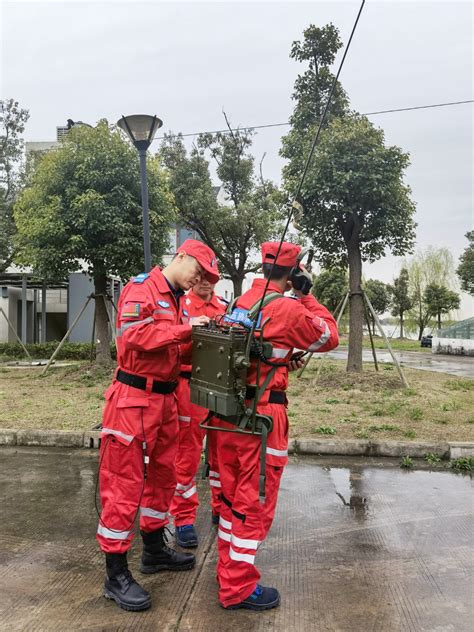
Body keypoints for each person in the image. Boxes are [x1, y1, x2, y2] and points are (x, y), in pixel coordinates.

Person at [216, 241, 339, 611]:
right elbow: (328, 336)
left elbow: (251, 353)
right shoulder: (288, 307)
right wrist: (306, 296)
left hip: (228, 416)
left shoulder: (239, 302)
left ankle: (227, 569)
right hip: (264, 418)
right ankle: (236, 588)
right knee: (254, 502)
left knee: (230, 499)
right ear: (295, 271)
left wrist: (279, 363)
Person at [97, 239, 219, 612]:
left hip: (166, 400)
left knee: (165, 476)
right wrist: (186, 331)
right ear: (179, 256)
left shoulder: (178, 300)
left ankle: (153, 550)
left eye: (207, 276)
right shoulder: (142, 288)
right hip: (133, 400)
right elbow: (133, 336)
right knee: (124, 484)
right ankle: (115, 574)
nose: (199, 279)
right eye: (197, 271)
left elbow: (172, 347)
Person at [170, 278, 228, 547]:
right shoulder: (182, 306)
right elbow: (175, 347)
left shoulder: (224, 308)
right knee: (188, 452)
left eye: (212, 279)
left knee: (223, 451)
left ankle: (220, 506)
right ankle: (183, 518)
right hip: (189, 386)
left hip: (221, 386)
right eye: (202, 277)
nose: (207, 283)